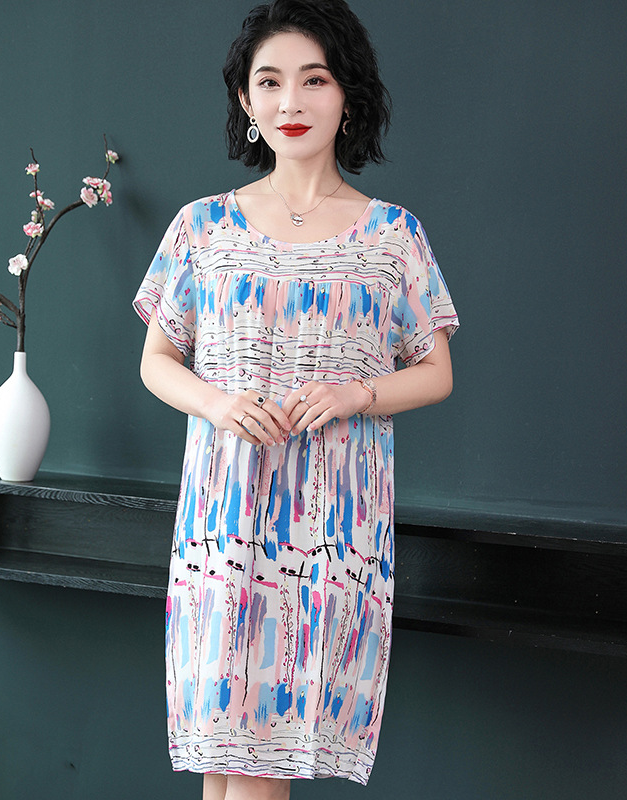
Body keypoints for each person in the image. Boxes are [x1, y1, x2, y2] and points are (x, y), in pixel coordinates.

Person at [134, 1, 458, 797]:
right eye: (270, 82)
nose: (291, 102)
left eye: (313, 80)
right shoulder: (203, 229)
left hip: (328, 526)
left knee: (259, 759)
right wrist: (217, 405)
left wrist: (356, 393)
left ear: (348, 94)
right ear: (246, 101)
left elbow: (436, 371)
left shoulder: (392, 236)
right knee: (224, 762)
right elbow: (157, 360)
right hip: (222, 520)